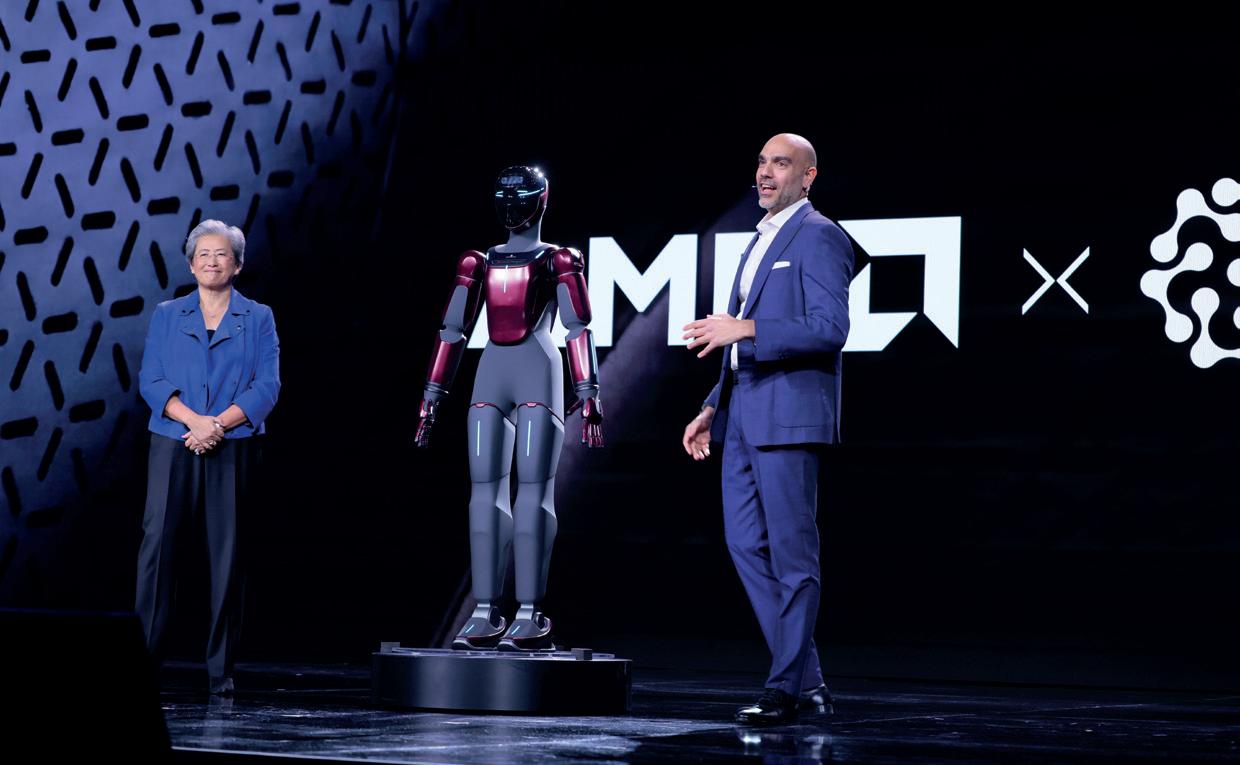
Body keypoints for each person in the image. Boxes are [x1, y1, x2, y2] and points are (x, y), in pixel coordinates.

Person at [682, 133, 854, 724]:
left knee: (793, 556)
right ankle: (808, 680)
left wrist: (748, 328)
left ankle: (784, 687)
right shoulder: (757, 241)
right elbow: (735, 340)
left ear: (808, 176)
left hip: (788, 416)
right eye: (761, 162)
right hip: (741, 417)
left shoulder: (821, 235)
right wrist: (712, 406)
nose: (766, 172)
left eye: (781, 163)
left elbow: (830, 328)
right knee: (744, 546)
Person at [415, 166, 604, 651]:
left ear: (541, 200)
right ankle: (485, 610)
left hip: (536, 371)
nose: (511, 204)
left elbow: (577, 327)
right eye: (504, 195)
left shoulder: (558, 259)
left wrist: (588, 391)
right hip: (492, 376)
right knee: (483, 495)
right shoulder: (478, 262)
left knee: (533, 493)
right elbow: (452, 331)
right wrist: (433, 393)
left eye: (519, 196)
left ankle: (530, 610)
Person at [136, 219, 280, 695]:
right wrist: (194, 422)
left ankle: (221, 671)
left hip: (232, 445)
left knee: (228, 555)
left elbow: (267, 386)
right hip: (172, 441)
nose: (211, 261)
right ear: (191, 263)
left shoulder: (258, 317)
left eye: (221, 254)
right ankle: (145, 659)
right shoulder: (167, 314)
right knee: (158, 551)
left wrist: (216, 425)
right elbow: (151, 380)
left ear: (237, 265)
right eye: (203, 254)